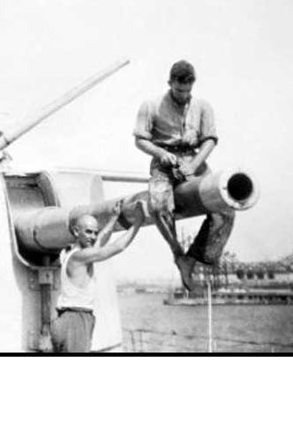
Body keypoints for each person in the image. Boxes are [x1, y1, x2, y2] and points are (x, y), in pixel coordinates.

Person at [134, 60, 235, 291]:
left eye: (188, 91)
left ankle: (193, 259)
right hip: (164, 162)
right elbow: (140, 139)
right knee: (159, 206)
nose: (183, 95)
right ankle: (178, 254)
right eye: (179, 90)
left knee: (225, 206)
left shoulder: (203, 107)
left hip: (194, 160)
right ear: (170, 83)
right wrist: (161, 153)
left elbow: (210, 139)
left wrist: (194, 165)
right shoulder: (151, 105)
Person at [51, 200, 144, 353]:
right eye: (88, 232)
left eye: (94, 232)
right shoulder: (81, 256)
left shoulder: (68, 254)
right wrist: (138, 223)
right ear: (75, 231)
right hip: (76, 320)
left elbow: (99, 240)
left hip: (67, 319)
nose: (93, 236)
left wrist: (113, 219)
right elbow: (118, 247)